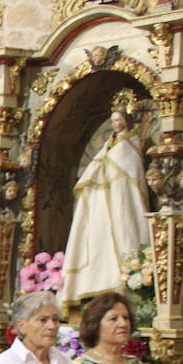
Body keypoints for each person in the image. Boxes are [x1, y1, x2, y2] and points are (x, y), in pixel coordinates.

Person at [59, 96, 151, 306]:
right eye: (112, 120)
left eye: (118, 119)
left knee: (123, 237)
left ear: (126, 121)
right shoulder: (109, 146)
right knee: (99, 244)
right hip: (103, 202)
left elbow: (132, 175)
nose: (114, 124)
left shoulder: (129, 147)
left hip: (122, 201)